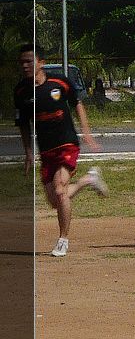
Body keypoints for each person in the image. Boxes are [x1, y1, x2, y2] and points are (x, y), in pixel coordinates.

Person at [14, 43, 108, 257]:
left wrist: (86, 132)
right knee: (56, 201)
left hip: (67, 143)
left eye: (29, 61)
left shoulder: (59, 82)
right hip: (46, 150)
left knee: (59, 189)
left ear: (41, 62)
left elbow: (78, 103)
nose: (25, 66)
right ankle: (88, 180)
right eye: (22, 62)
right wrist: (28, 152)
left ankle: (62, 240)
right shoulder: (21, 92)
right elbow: (23, 125)